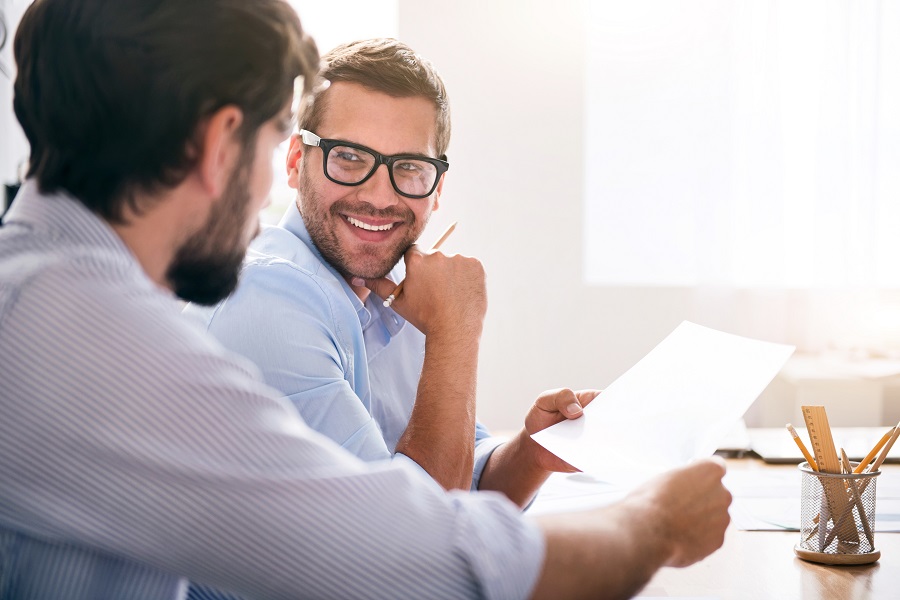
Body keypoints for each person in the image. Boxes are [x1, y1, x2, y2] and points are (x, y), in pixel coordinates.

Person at [0, 1, 731, 599]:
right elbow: (416, 567)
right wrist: (653, 524)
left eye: (406, 168)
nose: (259, 196)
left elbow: (430, 505)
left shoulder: (57, 295)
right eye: (278, 140)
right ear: (228, 144)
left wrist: (524, 454)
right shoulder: (97, 339)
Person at [184, 38, 598, 509]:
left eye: (408, 167)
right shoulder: (265, 296)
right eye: (350, 157)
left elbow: (460, 479)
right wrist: (456, 331)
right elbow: (419, 539)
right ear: (297, 162)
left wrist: (532, 453)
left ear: (436, 187)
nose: (380, 197)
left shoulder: (400, 292)